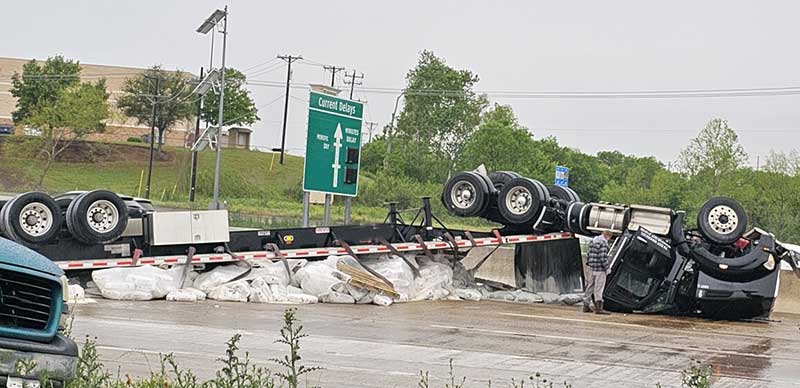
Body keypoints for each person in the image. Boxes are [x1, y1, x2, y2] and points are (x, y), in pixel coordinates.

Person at [583, 230, 612, 314]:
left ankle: (586, 306)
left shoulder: (593, 242)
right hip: (600, 269)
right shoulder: (603, 243)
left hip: (592, 268)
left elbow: (588, 254)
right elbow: (602, 257)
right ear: (608, 236)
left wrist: (590, 264)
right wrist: (607, 268)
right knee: (599, 288)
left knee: (590, 286)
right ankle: (599, 308)